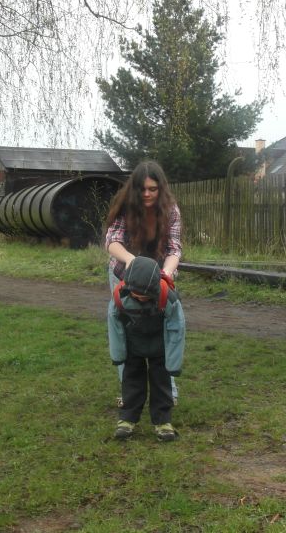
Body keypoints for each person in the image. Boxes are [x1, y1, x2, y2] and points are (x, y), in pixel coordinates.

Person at [104, 160, 182, 403]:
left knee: (164, 330)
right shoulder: (126, 207)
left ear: (161, 189)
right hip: (123, 273)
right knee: (125, 331)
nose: (147, 194)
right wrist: (132, 261)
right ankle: (130, 394)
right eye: (142, 189)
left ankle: (168, 392)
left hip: (159, 277)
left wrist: (166, 274)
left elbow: (174, 249)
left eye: (153, 189)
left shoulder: (171, 211)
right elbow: (112, 241)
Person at [107, 256, 184, 441]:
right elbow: (115, 327)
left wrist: (173, 364)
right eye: (135, 294)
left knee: (161, 382)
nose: (140, 297)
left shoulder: (168, 297)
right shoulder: (119, 297)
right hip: (133, 347)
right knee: (132, 381)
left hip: (159, 347)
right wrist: (118, 355)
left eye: (145, 294)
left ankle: (163, 422)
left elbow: (177, 329)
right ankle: (127, 420)